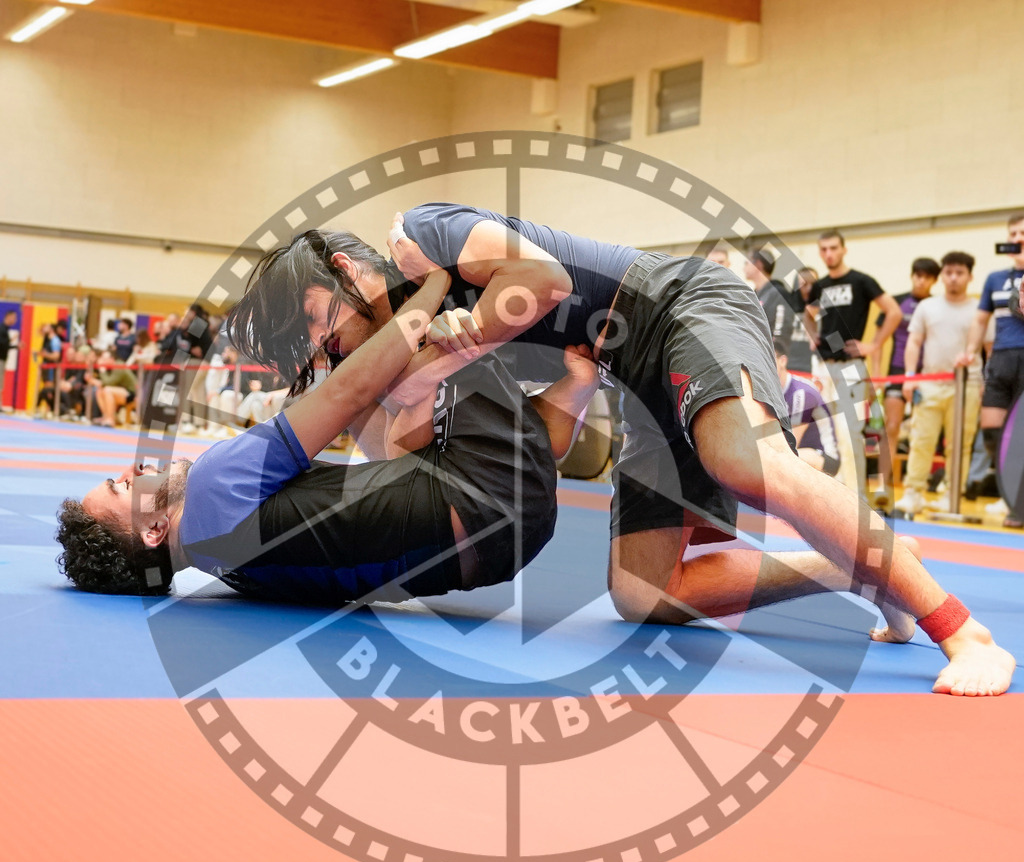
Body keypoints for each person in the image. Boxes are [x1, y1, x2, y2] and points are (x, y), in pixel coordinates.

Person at [227, 216, 1013, 697]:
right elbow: (551, 441)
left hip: (682, 305)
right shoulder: (403, 357)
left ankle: (963, 630)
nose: (323, 345)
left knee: (746, 459)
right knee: (644, 591)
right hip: (632, 383)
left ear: (348, 269)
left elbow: (544, 277)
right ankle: (861, 561)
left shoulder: (421, 240)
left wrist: (451, 322)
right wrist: (564, 390)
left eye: (317, 321)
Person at [55, 268, 598, 608]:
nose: (128, 471)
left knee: (410, 412)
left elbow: (384, 478)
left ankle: (572, 392)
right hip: (488, 492)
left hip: (503, 548)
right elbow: (349, 393)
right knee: (427, 314)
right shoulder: (212, 487)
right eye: (120, 488)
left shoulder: (232, 572)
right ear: (153, 532)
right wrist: (429, 284)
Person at [803, 230, 903, 495]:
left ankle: (856, 497)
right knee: (830, 432)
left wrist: (873, 344)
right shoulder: (819, 285)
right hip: (825, 367)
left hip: (851, 366)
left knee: (850, 433)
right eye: (823, 249)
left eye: (833, 248)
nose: (828, 254)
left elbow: (893, 311)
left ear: (844, 249)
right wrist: (813, 335)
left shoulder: (861, 281)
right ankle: (838, 492)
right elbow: (807, 314)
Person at [894, 253, 982, 515]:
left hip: (967, 384)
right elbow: (914, 343)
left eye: (960, 273)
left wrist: (984, 384)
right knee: (921, 439)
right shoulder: (927, 307)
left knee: (960, 444)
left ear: (969, 276)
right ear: (942, 275)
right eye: (949, 272)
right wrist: (910, 376)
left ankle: (951, 493)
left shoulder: (979, 310)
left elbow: (988, 348)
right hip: (930, 382)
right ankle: (913, 493)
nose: (954, 277)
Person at [963, 212, 1024, 528]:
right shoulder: (994, 278)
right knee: (992, 431)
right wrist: (971, 351)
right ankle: (1009, 491)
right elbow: (980, 319)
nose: (1017, 238)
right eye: (1013, 233)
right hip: (1000, 358)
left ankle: (1018, 504)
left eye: (1022, 233)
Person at [875, 258, 940, 488]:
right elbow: (878, 340)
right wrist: (876, 374)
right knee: (891, 427)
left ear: (934, 280)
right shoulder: (897, 303)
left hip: (928, 375)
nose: (921, 281)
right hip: (897, 371)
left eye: (927, 277)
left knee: (922, 431)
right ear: (912, 276)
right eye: (918, 275)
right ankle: (883, 485)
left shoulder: (936, 305)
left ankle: (917, 484)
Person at [774, 341, 840, 476]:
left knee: (779, 458)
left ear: (783, 361)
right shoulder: (769, 392)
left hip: (824, 456)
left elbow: (792, 444)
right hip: (800, 452)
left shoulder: (802, 393)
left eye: (769, 361)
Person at [744, 250, 796, 355]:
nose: (743, 268)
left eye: (746, 263)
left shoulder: (778, 293)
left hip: (772, 357)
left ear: (758, 264)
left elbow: (782, 328)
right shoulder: (755, 295)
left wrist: (777, 353)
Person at [0, 309, 17, 412]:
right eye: (14, 317)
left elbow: (4, 345)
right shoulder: (2, 329)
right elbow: (2, 345)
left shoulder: (4, 329)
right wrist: (13, 343)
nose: (15, 320)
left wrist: (14, 345)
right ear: (9, 317)